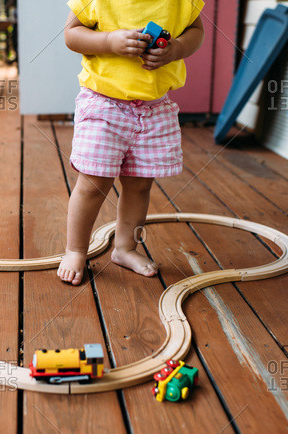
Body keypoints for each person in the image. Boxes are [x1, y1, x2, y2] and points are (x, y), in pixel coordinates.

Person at [58, 0, 205, 285]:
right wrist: (109, 41)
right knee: (92, 182)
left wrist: (176, 49)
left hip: (155, 106)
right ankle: (75, 250)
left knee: (140, 184)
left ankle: (125, 248)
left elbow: (195, 31)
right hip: (103, 104)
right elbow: (72, 34)